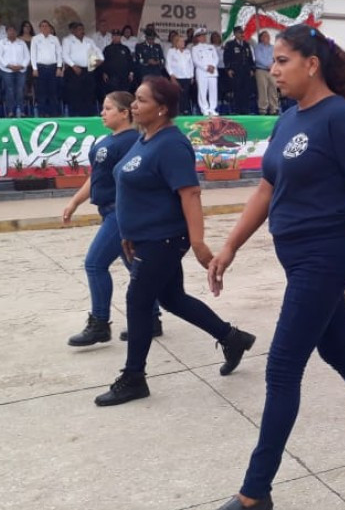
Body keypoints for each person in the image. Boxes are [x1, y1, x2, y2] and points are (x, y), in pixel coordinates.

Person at [208, 25, 345, 510]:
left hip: (327, 254)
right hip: (298, 256)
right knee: (338, 350)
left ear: (312, 64)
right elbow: (267, 189)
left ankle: (254, 493)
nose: (274, 69)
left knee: (283, 367)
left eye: (283, 60)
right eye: (274, 61)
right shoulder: (289, 119)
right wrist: (229, 246)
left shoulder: (341, 118)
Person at [94, 76, 256, 407]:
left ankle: (134, 377)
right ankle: (232, 338)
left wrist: (197, 243)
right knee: (172, 298)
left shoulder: (172, 144)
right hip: (144, 237)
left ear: (163, 108)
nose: (134, 106)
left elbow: (190, 193)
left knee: (138, 300)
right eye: (134, 100)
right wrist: (127, 232)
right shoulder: (145, 138)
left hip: (164, 238)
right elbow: (131, 189)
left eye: (141, 101)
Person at [62, 92, 146, 346]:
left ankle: (100, 323)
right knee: (137, 269)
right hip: (108, 211)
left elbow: (134, 178)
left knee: (95, 264)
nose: (103, 113)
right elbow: (96, 176)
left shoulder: (132, 141)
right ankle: (151, 318)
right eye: (103, 108)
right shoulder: (108, 140)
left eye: (108, 108)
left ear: (125, 112)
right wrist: (75, 201)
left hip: (120, 213)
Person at [62, 22, 103, 117]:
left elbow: (97, 51)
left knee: (88, 93)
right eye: (79, 29)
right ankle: (75, 116)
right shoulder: (67, 40)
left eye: (83, 29)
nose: (82, 31)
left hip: (88, 70)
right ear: (74, 31)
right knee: (75, 94)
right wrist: (73, 66)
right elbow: (65, 55)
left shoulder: (89, 40)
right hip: (73, 70)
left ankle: (88, 116)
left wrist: (100, 60)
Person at [30, 20, 63, 117]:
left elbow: (59, 53)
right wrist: (34, 68)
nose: (45, 28)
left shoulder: (55, 39)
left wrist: (59, 67)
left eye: (46, 26)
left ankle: (55, 114)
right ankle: (42, 114)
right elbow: (33, 54)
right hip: (40, 68)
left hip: (53, 68)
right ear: (40, 28)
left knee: (53, 92)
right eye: (43, 26)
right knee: (41, 92)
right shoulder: (35, 39)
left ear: (50, 28)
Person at [0, 24, 29, 118]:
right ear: (6, 32)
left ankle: (21, 111)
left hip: (20, 70)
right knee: (9, 90)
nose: (12, 32)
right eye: (9, 30)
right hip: (6, 70)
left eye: (13, 30)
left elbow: (27, 56)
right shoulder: (2, 43)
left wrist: (22, 66)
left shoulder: (21, 43)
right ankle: (10, 111)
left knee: (20, 90)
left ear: (16, 32)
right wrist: (8, 65)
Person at [224, 26, 256, 115]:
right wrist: (228, 69)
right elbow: (226, 58)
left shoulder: (246, 44)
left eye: (242, 32)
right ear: (235, 34)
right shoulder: (230, 44)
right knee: (237, 90)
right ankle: (237, 110)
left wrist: (252, 69)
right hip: (236, 71)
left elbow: (250, 58)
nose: (242, 34)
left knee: (246, 90)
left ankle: (246, 109)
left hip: (246, 71)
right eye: (240, 33)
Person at [190, 28, 219, 117]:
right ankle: (204, 109)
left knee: (213, 90)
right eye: (201, 36)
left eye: (204, 35)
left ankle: (212, 109)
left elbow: (216, 58)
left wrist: (213, 66)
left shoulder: (211, 47)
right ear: (197, 38)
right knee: (202, 91)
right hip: (202, 72)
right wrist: (206, 67)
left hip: (212, 71)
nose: (203, 37)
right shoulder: (195, 48)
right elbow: (195, 61)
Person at [166, 33, 195, 115]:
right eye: (181, 41)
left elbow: (191, 64)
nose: (183, 43)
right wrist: (171, 75)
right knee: (177, 95)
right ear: (176, 42)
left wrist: (192, 75)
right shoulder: (171, 51)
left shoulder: (187, 52)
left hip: (187, 76)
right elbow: (168, 64)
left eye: (183, 41)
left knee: (185, 94)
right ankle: (176, 111)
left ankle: (185, 111)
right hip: (177, 77)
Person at [101, 30, 136, 97]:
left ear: (120, 37)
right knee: (112, 95)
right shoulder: (107, 49)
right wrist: (104, 73)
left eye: (118, 36)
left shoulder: (125, 49)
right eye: (114, 36)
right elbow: (103, 62)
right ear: (112, 37)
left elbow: (130, 61)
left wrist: (131, 73)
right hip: (111, 76)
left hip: (124, 77)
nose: (116, 37)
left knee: (123, 95)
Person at [253, 31, 278, 115]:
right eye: (265, 36)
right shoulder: (257, 47)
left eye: (268, 36)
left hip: (271, 71)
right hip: (261, 70)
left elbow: (276, 58)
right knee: (262, 89)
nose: (267, 37)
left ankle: (274, 108)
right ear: (261, 38)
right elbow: (258, 58)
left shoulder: (273, 47)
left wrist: (273, 65)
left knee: (273, 88)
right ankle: (263, 109)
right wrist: (268, 65)